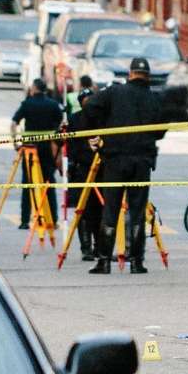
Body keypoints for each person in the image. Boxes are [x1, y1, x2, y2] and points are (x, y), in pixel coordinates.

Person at [83, 57, 165, 275]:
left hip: (115, 159)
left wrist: (100, 128)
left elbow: (89, 106)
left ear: (130, 73)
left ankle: (103, 261)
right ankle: (136, 262)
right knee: (137, 212)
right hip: (142, 161)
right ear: (148, 76)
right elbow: (160, 131)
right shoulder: (154, 98)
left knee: (110, 209)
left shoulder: (114, 92)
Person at [11, 78, 64, 228]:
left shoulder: (27, 104)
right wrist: (57, 142)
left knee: (27, 184)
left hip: (30, 148)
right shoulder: (53, 105)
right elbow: (62, 124)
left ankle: (24, 221)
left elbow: (14, 123)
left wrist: (15, 142)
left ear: (34, 88)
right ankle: (52, 219)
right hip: (47, 149)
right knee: (48, 183)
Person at [65, 86, 101, 261]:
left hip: (101, 168)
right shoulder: (74, 119)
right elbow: (70, 145)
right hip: (82, 169)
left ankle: (100, 247)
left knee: (101, 209)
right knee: (84, 210)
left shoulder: (102, 118)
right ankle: (86, 248)